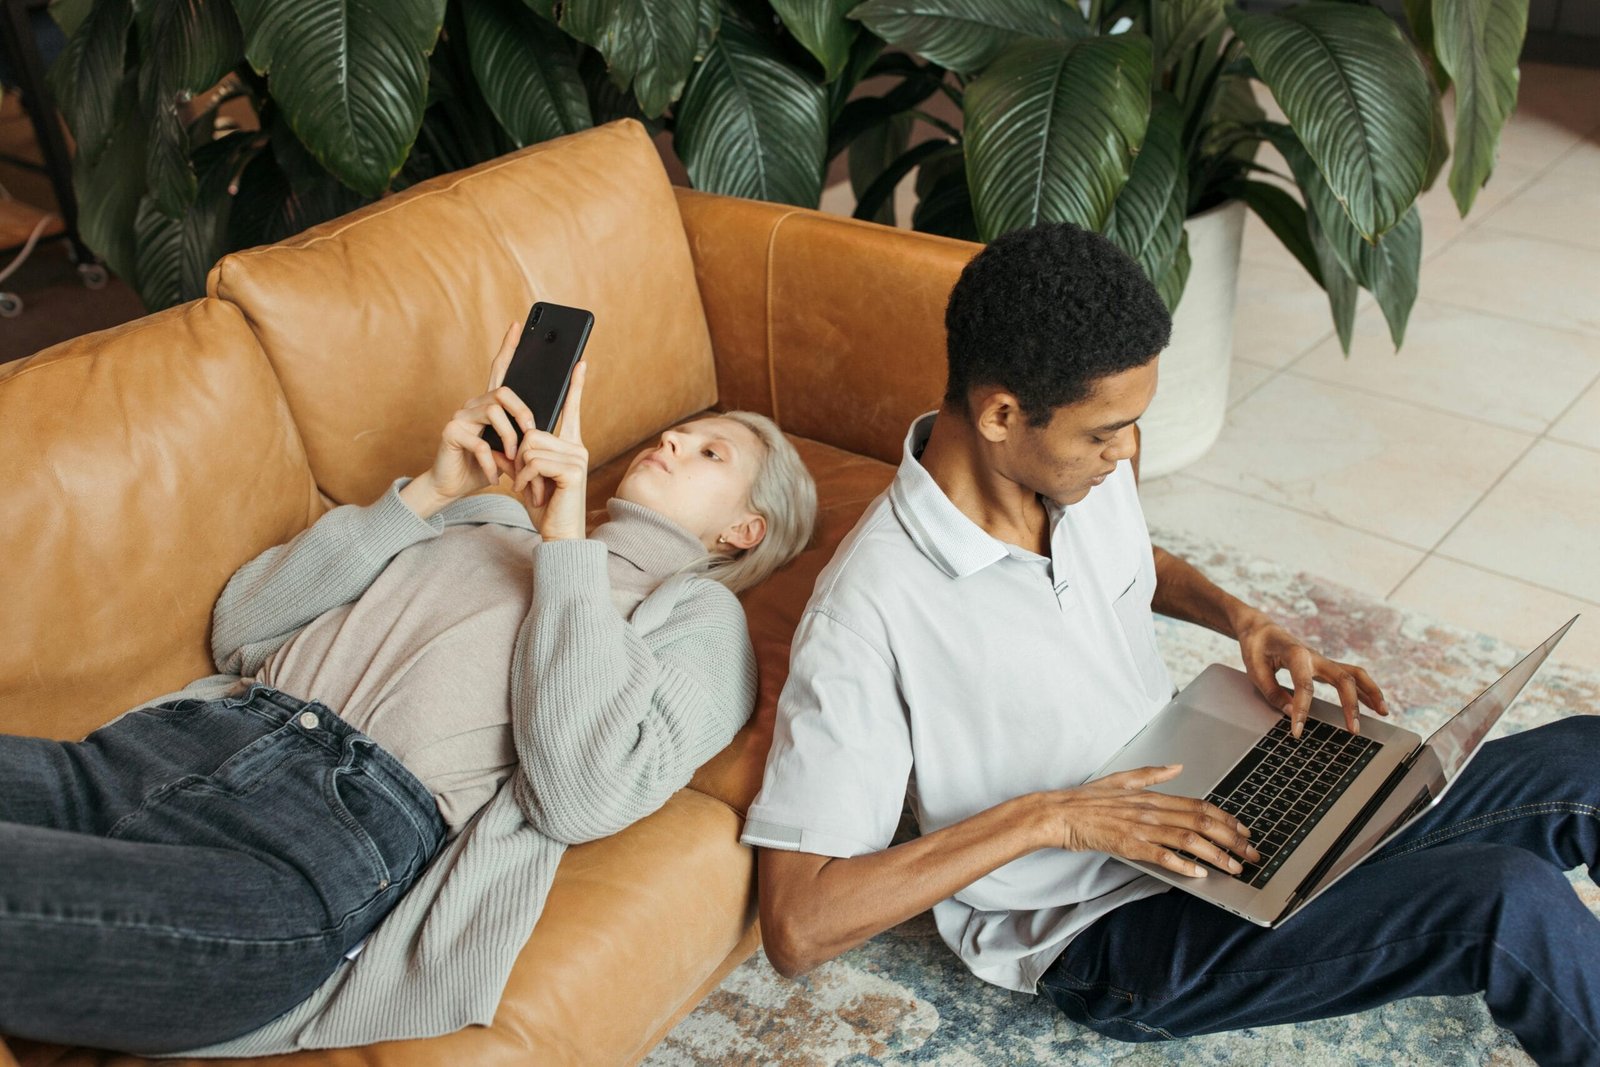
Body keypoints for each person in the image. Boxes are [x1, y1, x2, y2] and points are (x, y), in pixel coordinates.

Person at [742, 223, 1599, 1066]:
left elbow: (1132, 558)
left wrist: (1242, 617)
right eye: (1103, 433)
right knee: (1505, 902)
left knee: (1588, 758)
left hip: (1218, 800)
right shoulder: (869, 613)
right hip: (1105, 930)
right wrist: (1057, 814)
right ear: (1001, 413)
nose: (1126, 453)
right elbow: (799, 923)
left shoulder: (1073, 472)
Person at [0, 320, 819, 1054]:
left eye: (711, 453)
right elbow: (244, 624)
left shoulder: (701, 619)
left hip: (316, 844)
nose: (673, 442)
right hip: (167, 747)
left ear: (744, 530)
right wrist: (433, 492)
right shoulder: (484, 519)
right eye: (680, 432)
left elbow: (582, 792)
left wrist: (569, 541)